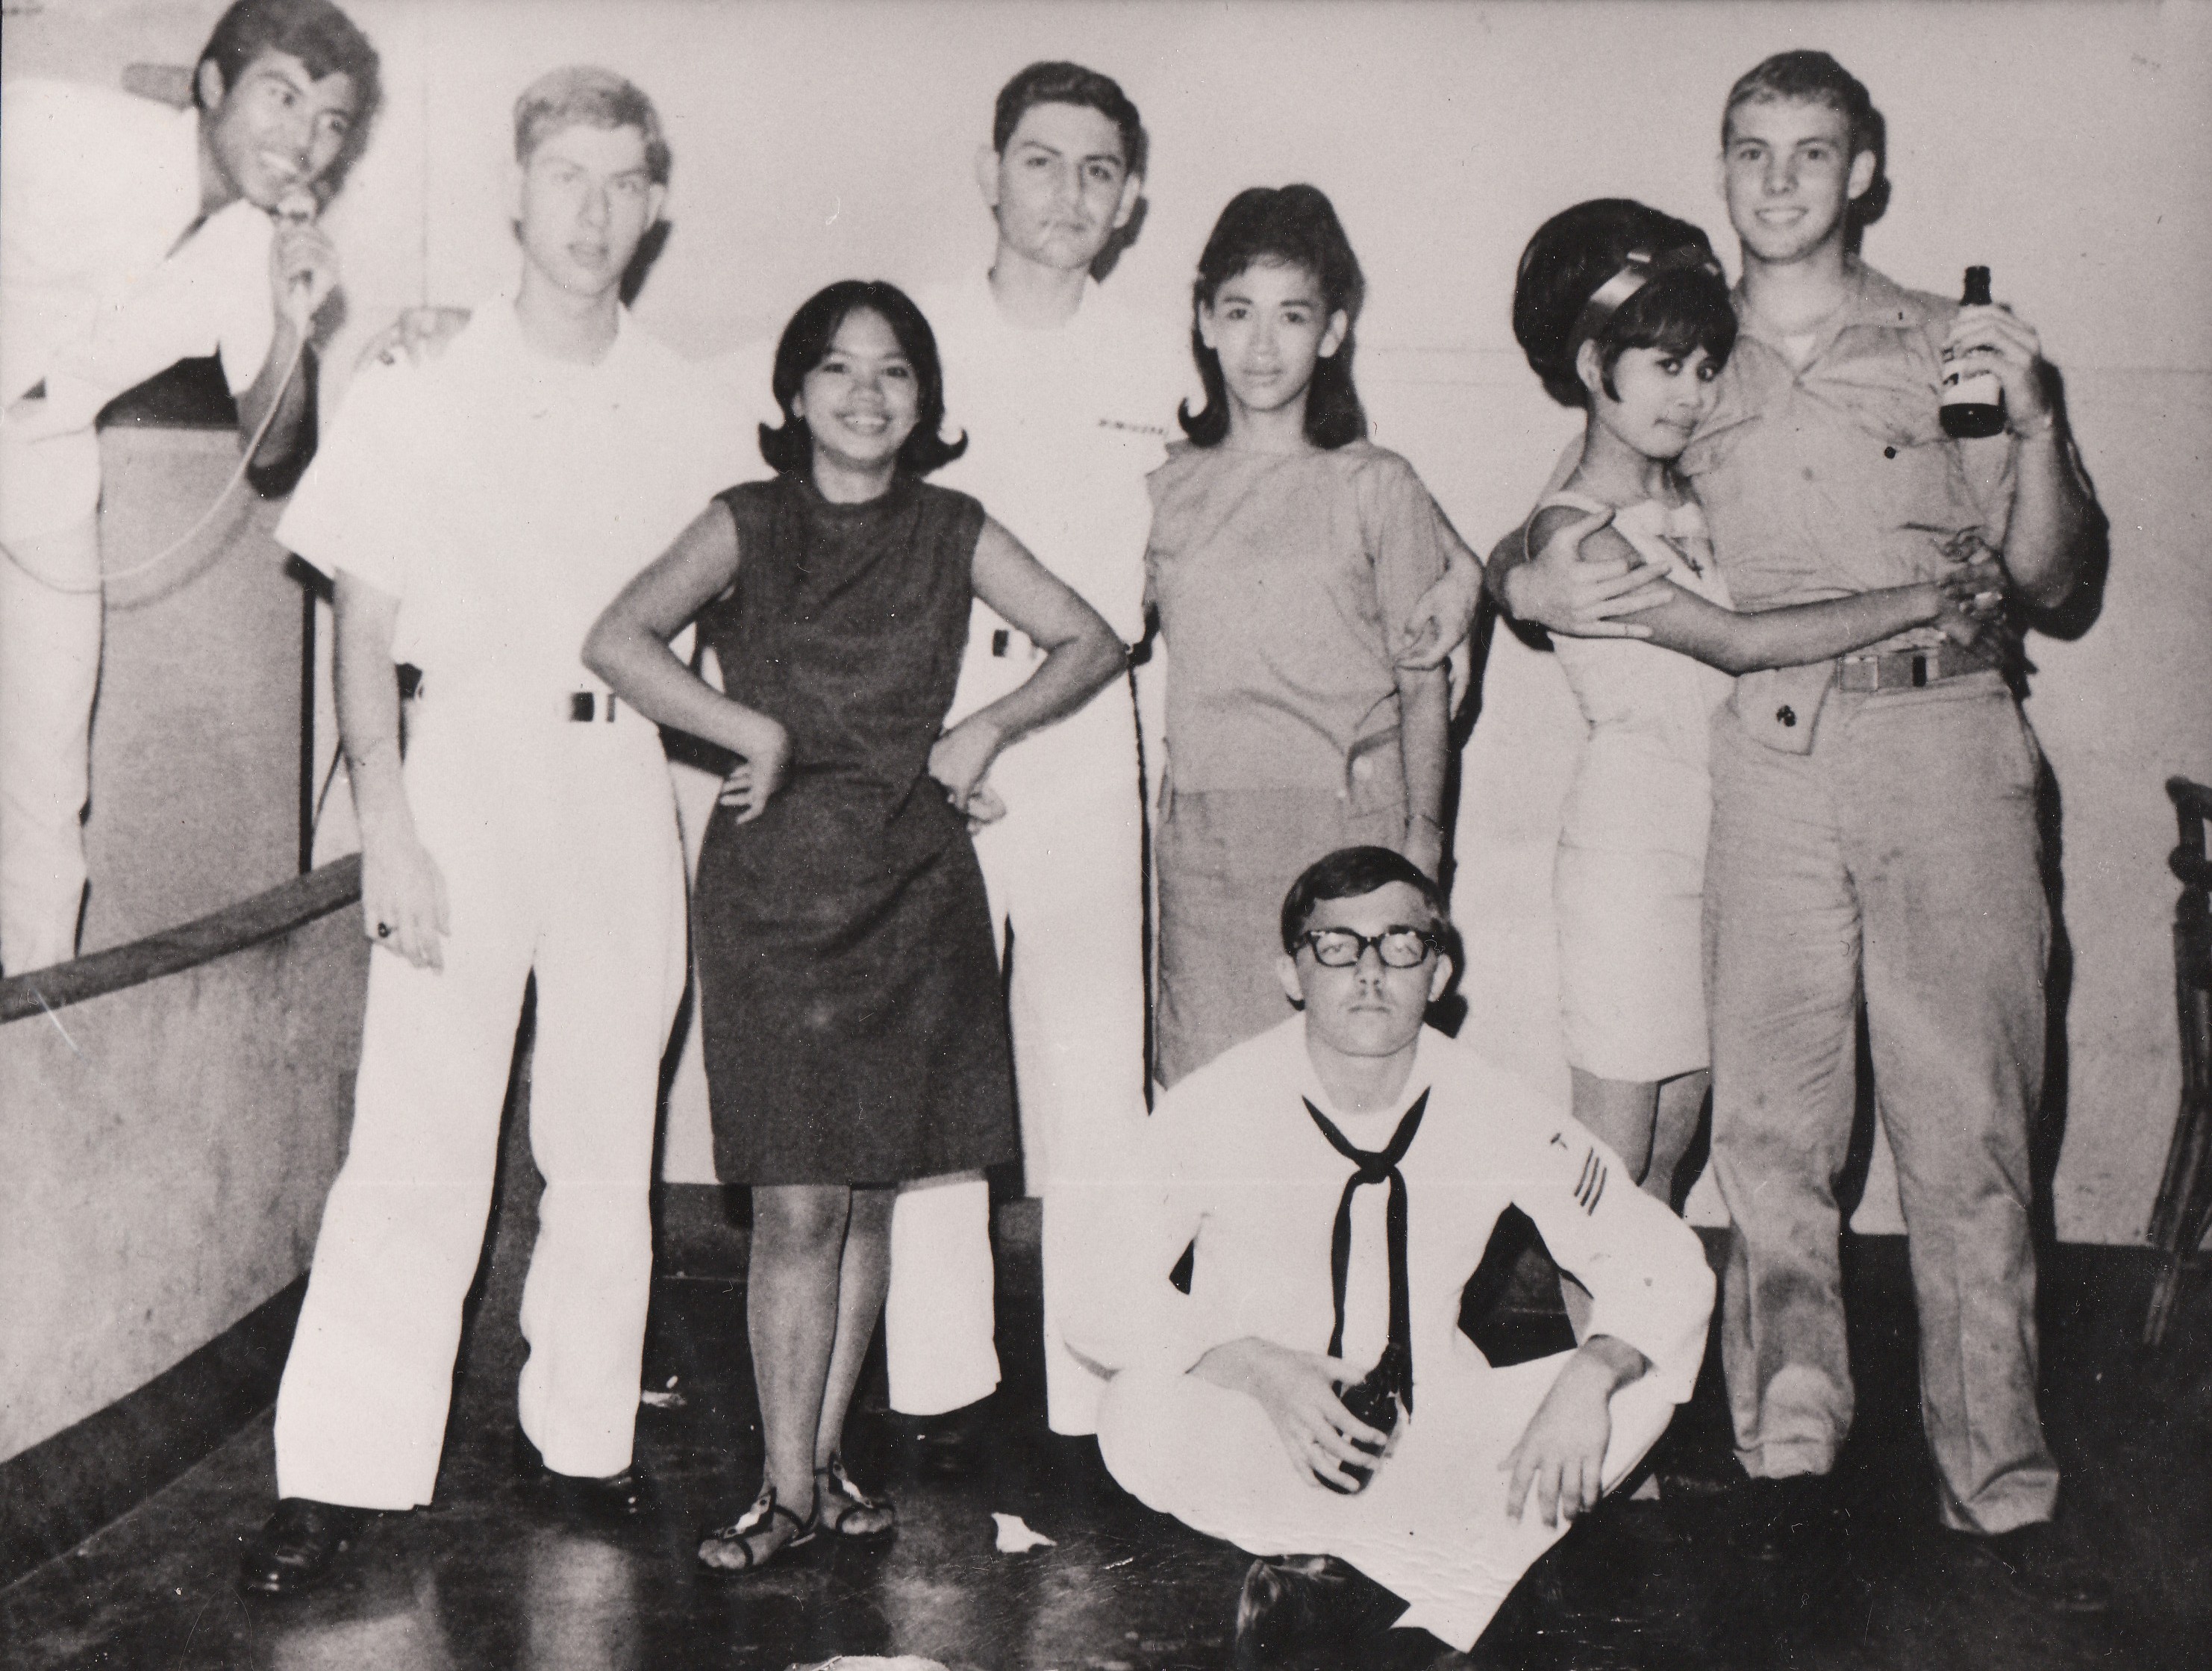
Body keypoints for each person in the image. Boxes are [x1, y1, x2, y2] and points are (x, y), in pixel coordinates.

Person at [1490, 53, 2106, 1608]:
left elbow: (2049, 579)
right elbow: (1569, 486)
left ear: (1866, 169)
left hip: (1946, 741)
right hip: (1768, 761)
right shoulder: (1687, 353)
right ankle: (1788, 1456)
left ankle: (1998, 1486)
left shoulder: (1945, 345)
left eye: (1812, 151)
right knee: (1775, 1136)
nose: (1781, 179)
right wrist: (1514, 572)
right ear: (1723, 169)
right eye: (1753, 151)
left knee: (1967, 1130)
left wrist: (2038, 426)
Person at [235, 66, 739, 1596]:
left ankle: (581, 1442)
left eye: (621, 183)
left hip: (618, 787)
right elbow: (362, 620)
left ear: (653, 210)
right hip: (458, 774)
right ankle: (339, 1469)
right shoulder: (413, 383)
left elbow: (723, 630)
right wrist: (385, 818)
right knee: (417, 1138)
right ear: (516, 195)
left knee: (604, 1140)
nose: (591, 211)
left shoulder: (691, 400)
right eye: (564, 177)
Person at [583, 281, 1125, 1572]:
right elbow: (616, 637)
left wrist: (984, 726)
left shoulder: (952, 525)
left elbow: (1088, 637)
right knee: (793, 1205)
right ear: (792, 394)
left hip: (911, 879)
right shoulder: (745, 519)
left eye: (893, 374)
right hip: (774, 885)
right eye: (837, 369)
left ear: (924, 402)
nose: (866, 394)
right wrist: (747, 724)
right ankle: (776, 1492)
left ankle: (819, 1469)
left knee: (868, 1198)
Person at [1066, 846, 1714, 1659]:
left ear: (1437, 973)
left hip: (1430, 1427)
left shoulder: (1494, 1103)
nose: (1369, 971)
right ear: (1292, 972)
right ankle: (1444, 1586)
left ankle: (1341, 1582)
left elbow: (1661, 1255)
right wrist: (1258, 1366)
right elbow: (1094, 1282)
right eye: (1337, 945)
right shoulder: (1219, 1103)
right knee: (1134, 1408)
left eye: (1400, 944)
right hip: (1260, 1425)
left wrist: (1594, 1370)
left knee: (1636, 1390)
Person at [1508, 198, 2004, 1217]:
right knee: (1609, 1157)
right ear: (1594, 367)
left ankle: (1643, 1375)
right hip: (1631, 856)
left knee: (1673, 1155)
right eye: (1663, 368)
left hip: (1727, 837)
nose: (1691, 395)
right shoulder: (1577, 533)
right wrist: (1919, 601)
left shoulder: (1687, 495)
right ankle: (1584, 1379)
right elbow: (1739, 641)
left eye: (1703, 368)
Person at [0, 0, 378, 975]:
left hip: (40, 464)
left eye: (330, 121)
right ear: (212, 86)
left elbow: (271, 451)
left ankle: (25, 1052)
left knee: (47, 788)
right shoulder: (51, 127)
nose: (303, 140)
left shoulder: (253, 246)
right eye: (282, 97)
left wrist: (298, 320)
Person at [1146, 186, 1453, 1088]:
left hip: (1348, 829)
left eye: (1292, 315)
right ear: (1205, 321)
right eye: (1239, 313)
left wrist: (1423, 843)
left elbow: (1425, 681)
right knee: (1212, 1101)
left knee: (1347, 1097)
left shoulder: (1378, 484)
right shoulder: (1166, 487)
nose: (1264, 344)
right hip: (1206, 844)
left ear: (1332, 330)